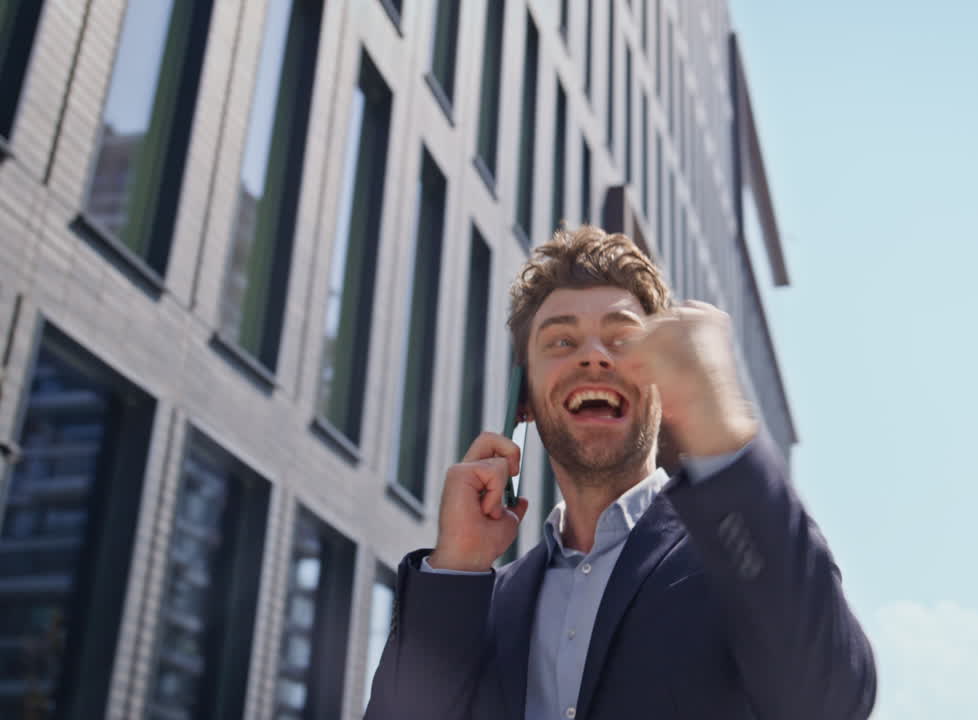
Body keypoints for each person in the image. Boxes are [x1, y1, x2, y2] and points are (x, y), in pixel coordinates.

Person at [365, 227, 875, 719]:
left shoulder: (741, 558)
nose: (593, 356)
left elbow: (830, 703)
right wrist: (455, 570)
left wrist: (719, 431)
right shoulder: (486, 604)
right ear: (524, 399)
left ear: (660, 383)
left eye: (623, 339)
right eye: (562, 342)